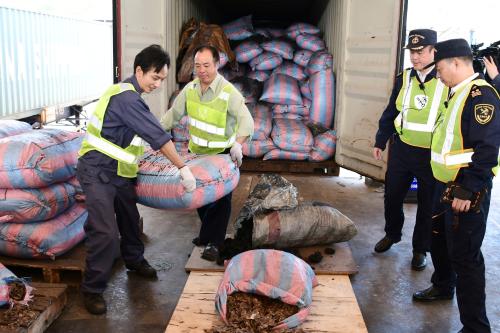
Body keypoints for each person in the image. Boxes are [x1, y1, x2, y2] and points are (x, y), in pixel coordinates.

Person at [76, 45, 196, 315]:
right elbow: (158, 136)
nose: (157, 84)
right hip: (97, 171)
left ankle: (134, 260)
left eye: (162, 79)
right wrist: (182, 168)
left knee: (130, 219)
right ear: (139, 71)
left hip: (119, 170)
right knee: (106, 232)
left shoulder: (131, 95)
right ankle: (92, 288)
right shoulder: (127, 99)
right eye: (155, 77)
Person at [413, 39, 500, 333]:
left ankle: (476, 327)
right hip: (444, 185)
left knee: (465, 256)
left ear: (457, 63)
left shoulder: (480, 96)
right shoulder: (456, 92)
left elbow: (488, 149)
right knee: (438, 240)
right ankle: (442, 286)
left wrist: (468, 189)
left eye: (439, 69)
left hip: (465, 190)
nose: (438, 75)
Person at [161, 45, 254, 262]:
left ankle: (215, 242)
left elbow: (246, 121)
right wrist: (152, 132)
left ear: (217, 64)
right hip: (197, 153)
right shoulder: (190, 89)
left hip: (222, 154)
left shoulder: (228, 92)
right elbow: (172, 116)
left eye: (206, 65)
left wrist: (238, 144)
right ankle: (206, 235)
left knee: (220, 198)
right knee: (200, 197)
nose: (201, 70)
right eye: (197, 66)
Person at [373, 29, 448, 270]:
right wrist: (380, 140)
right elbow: (391, 111)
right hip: (402, 150)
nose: (414, 57)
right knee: (392, 196)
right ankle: (392, 234)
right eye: (411, 52)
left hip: (430, 154)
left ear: (433, 51)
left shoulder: (446, 79)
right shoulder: (404, 78)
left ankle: (420, 249)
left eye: (420, 51)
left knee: (428, 204)